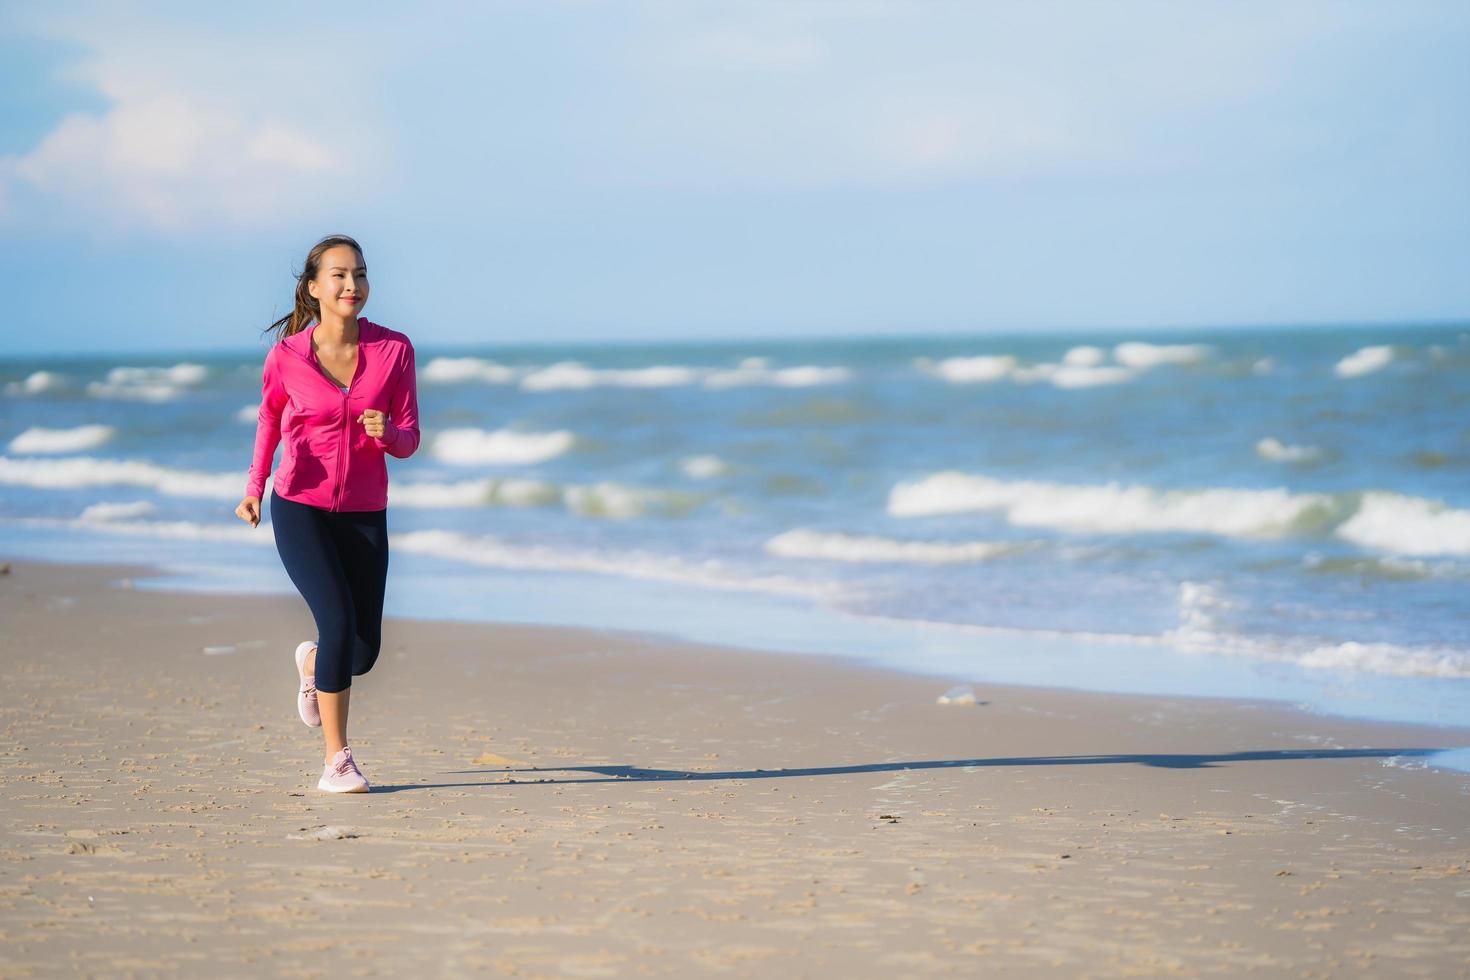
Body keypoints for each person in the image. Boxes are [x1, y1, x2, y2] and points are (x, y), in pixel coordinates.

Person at [234, 234, 420, 794]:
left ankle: (315, 665)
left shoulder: (395, 351)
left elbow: (411, 439)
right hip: (300, 505)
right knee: (337, 620)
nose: (351, 285)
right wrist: (255, 487)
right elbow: (269, 419)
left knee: (361, 652)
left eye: (360, 274)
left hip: (365, 511)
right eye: (339, 275)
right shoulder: (287, 356)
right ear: (313, 288)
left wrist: (389, 434)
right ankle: (337, 761)